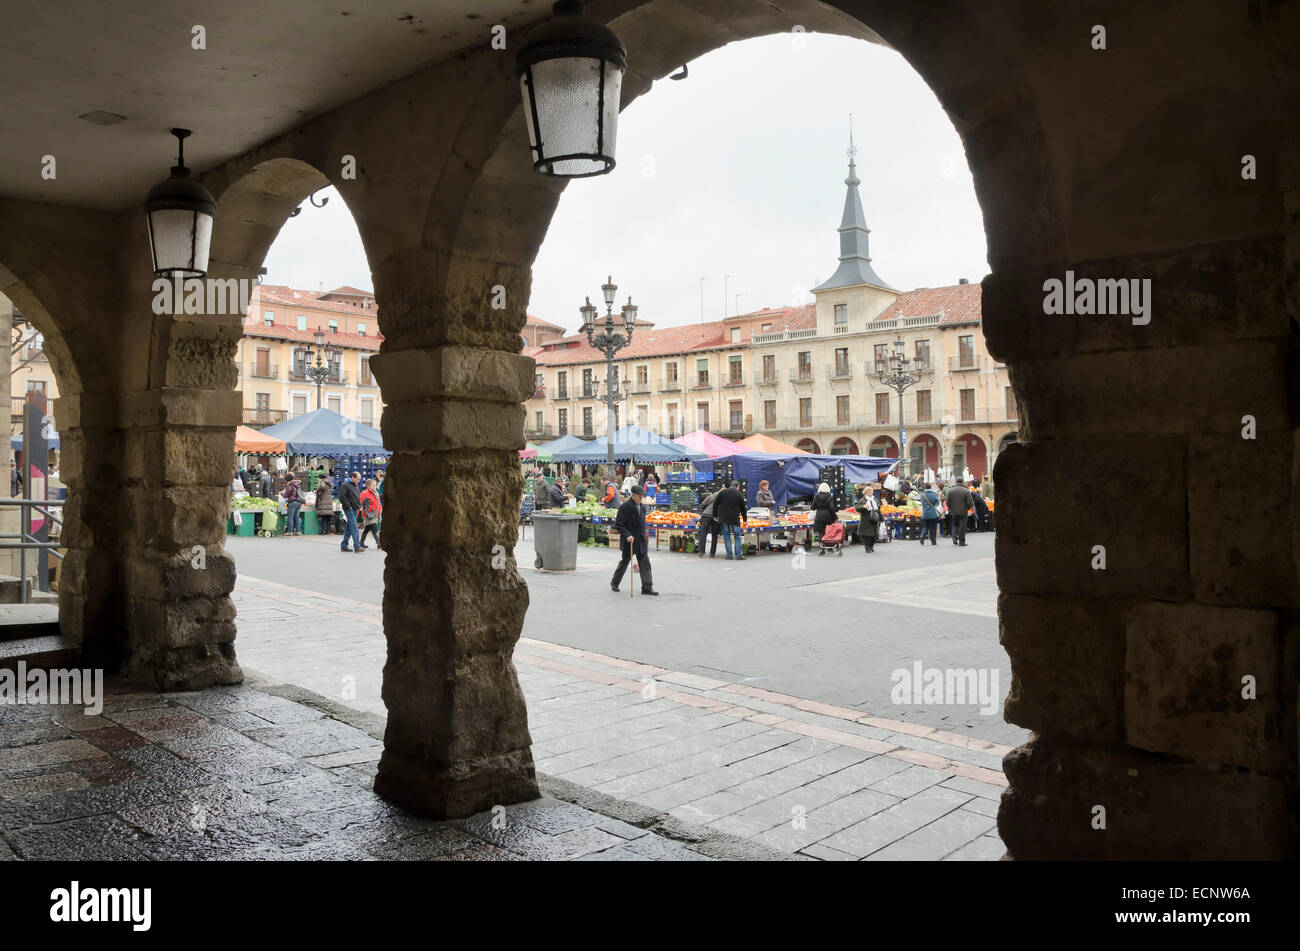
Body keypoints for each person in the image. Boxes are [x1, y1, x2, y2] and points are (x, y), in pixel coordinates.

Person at [610, 484, 657, 595]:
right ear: (633, 495)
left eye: (642, 497)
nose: (641, 499)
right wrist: (627, 535)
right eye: (640, 497)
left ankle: (647, 587)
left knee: (645, 563)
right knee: (624, 562)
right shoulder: (624, 507)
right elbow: (619, 525)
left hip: (640, 540)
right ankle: (614, 582)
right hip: (629, 541)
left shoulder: (642, 507)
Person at [713, 479, 748, 560]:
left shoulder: (722, 492)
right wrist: (745, 519)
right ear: (737, 486)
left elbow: (715, 504)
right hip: (735, 518)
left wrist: (715, 515)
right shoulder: (739, 494)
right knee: (737, 536)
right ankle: (739, 555)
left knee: (726, 536)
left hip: (724, 518)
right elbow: (743, 509)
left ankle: (729, 555)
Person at [338, 471, 364, 553]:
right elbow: (342, 497)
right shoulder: (345, 485)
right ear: (352, 477)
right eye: (357, 479)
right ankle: (357, 546)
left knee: (349, 527)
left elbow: (356, 496)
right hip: (349, 508)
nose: (358, 481)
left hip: (355, 508)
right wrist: (348, 506)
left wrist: (359, 505)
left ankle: (344, 545)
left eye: (359, 479)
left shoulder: (355, 484)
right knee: (354, 527)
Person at [946, 477, 973, 547]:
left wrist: (951, 508)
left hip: (953, 511)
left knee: (954, 525)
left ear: (956, 482)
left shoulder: (951, 490)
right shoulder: (966, 491)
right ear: (963, 482)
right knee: (962, 526)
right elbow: (970, 502)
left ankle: (954, 538)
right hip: (963, 511)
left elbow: (947, 502)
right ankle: (961, 542)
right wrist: (968, 507)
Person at [696, 487, 721, 558]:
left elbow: (703, 504)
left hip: (706, 515)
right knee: (714, 535)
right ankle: (712, 553)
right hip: (715, 517)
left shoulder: (712, 496)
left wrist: (702, 512)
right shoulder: (724, 499)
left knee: (703, 534)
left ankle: (701, 552)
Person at [359, 477, 383, 549]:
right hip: (368, 514)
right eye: (373, 485)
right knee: (374, 528)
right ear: (368, 486)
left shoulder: (376, 493)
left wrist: (380, 508)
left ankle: (361, 542)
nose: (375, 486)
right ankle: (379, 543)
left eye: (375, 485)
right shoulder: (365, 493)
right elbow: (361, 502)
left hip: (375, 513)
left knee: (367, 528)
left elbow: (378, 503)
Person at [919, 481, 943, 546]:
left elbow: (922, 503)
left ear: (925, 487)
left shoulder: (923, 495)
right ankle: (933, 542)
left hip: (925, 514)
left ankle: (922, 536)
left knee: (925, 527)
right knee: (933, 528)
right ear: (930, 487)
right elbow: (937, 503)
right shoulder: (934, 494)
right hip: (933, 514)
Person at [281, 470, 304, 536]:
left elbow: (288, 492)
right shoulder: (297, 483)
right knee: (297, 516)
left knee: (290, 517)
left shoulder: (289, 484)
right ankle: (298, 531)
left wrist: (283, 494)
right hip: (299, 501)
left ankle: (290, 531)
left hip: (292, 501)